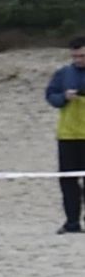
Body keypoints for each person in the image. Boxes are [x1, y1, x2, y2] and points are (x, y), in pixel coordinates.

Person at [49, 38, 85, 233]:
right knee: (68, 180)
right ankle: (72, 222)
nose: (78, 60)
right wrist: (63, 97)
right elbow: (51, 96)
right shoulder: (63, 73)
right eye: (75, 56)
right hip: (68, 135)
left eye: (82, 56)